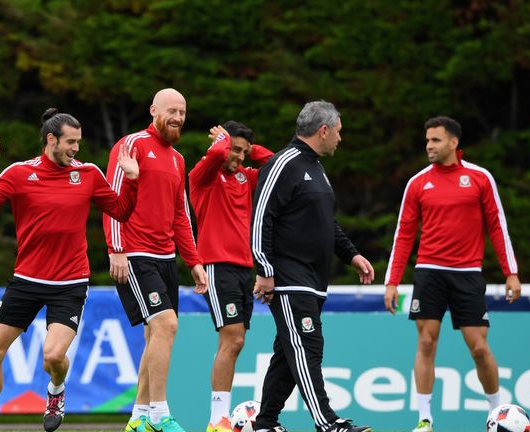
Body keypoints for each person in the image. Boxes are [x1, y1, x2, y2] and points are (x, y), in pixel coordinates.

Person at [0, 109, 140, 432]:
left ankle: (56, 391)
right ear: (51, 140)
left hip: (70, 283)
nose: (76, 149)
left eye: (78, 142)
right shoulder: (20, 173)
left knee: (52, 357)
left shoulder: (88, 174)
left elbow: (121, 211)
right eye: (70, 142)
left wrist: (132, 179)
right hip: (26, 280)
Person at [383, 116, 522, 432]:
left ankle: (496, 413)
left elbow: (497, 226)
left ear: (454, 143)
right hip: (429, 273)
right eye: (427, 140)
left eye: (435, 140)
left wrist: (510, 272)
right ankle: (425, 418)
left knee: (479, 348)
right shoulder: (418, 182)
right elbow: (404, 234)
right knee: (427, 342)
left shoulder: (479, 178)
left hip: (467, 274)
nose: (428, 146)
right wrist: (392, 281)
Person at [251, 101, 374, 432]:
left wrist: (351, 254)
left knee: (288, 355)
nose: (340, 139)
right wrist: (264, 269)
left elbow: (324, 222)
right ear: (323, 130)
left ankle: (264, 423)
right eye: (338, 132)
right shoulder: (284, 163)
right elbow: (261, 217)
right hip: (289, 280)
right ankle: (327, 422)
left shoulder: (316, 168)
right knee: (307, 347)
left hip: (313, 280)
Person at [103, 88, 208, 432]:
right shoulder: (130, 145)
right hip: (135, 253)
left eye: (182, 111)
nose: (177, 117)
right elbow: (111, 199)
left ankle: (138, 418)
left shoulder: (178, 159)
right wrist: (116, 248)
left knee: (156, 334)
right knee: (167, 325)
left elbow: (181, 214)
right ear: (153, 110)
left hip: (166, 257)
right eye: (171, 111)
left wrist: (193, 261)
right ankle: (161, 414)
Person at [188, 121, 274, 432]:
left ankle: (219, 418)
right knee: (232, 338)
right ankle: (217, 420)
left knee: (236, 342)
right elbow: (214, 158)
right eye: (233, 150)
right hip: (216, 265)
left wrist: (249, 149)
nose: (237, 156)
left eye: (243, 152)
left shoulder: (245, 178)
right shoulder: (204, 176)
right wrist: (223, 143)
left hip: (243, 268)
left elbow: (275, 165)